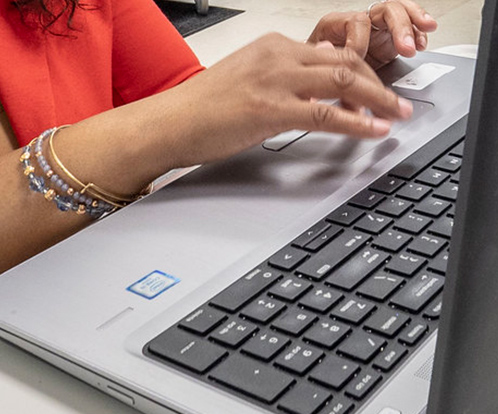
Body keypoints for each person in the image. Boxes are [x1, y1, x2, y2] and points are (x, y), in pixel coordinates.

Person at [0, 0, 437, 273]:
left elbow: (188, 97)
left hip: (98, 271)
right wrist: (168, 125)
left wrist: (312, 73)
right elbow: (182, 114)